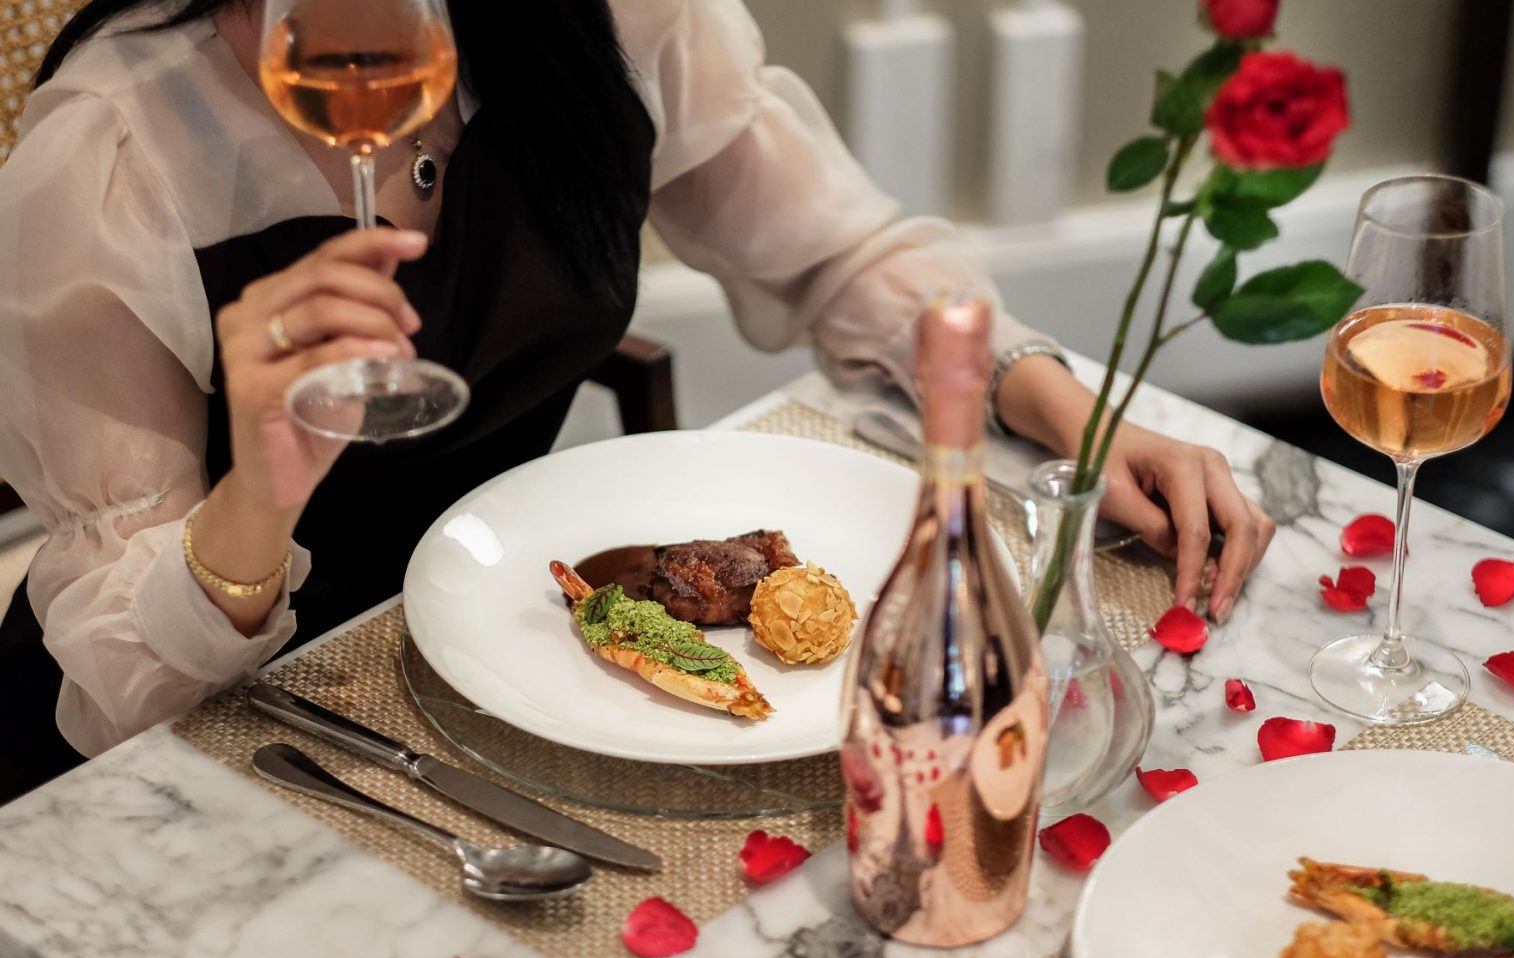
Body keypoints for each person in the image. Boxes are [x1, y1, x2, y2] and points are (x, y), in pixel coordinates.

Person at [0, 0, 1274, 797]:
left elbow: (838, 253)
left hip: (528, 656)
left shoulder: (614, 16)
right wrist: (261, 494)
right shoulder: (113, 153)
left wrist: (1069, 411)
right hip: (224, 737)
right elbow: (119, 695)